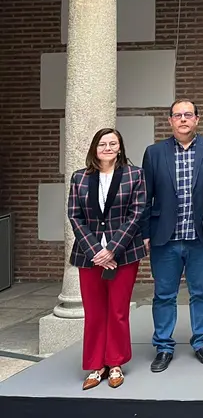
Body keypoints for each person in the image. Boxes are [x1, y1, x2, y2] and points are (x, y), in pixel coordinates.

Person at [141, 100, 203, 373]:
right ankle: (163, 346)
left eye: (188, 115)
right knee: (164, 295)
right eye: (178, 115)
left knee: (202, 292)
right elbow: (145, 198)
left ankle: (202, 342)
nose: (183, 119)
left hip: (200, 238)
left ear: (197, 119)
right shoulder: (153, 153)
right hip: (165, 238)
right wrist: (144, 233)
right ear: (170, 121)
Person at [68, 128, 147, 391]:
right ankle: (95, 365)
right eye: (103, 143)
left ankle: (114, 363)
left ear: (121, 148)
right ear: (95, 148)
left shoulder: (134, 175)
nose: (108, 147)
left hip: (123, 255)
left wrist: (112, 249)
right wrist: (95, 252)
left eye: (113, 143)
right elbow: (75, 216)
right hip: (88, 256)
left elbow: (136, 215)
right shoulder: (80, 178)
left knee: (117, 310)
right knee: (94, 312)